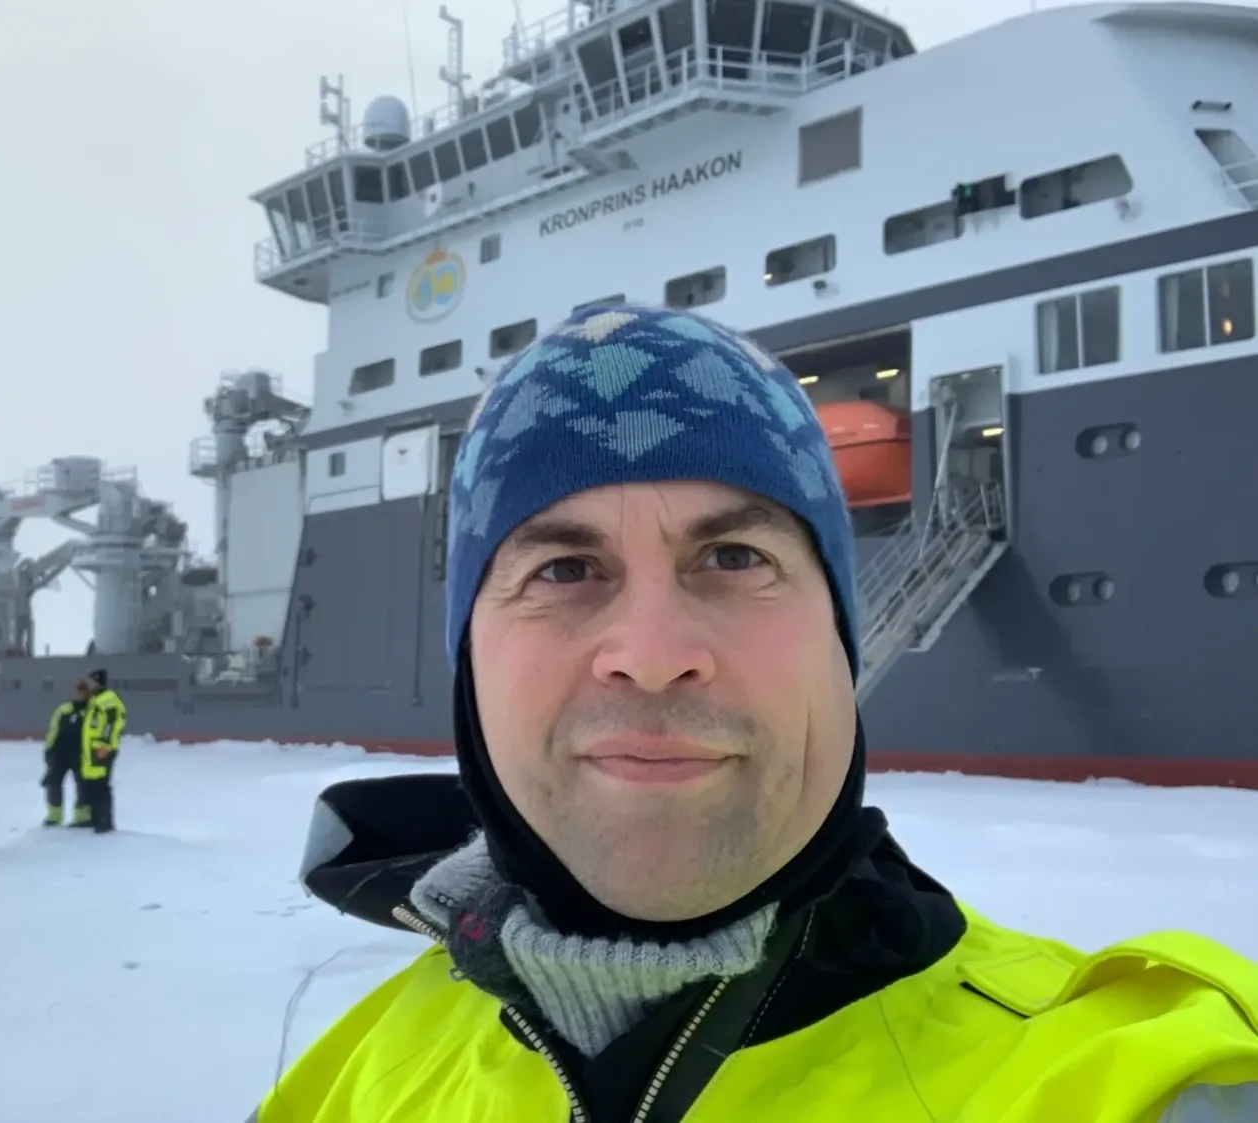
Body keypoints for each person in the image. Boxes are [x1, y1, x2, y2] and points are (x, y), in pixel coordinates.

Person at [258, 304, 1258, 1121]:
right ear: (469, 662)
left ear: (838, 637)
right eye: (563, 567)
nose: (651, 656)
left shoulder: (1128, 1085)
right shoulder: (352, 1079)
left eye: (734, 558)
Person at [79, 669, 125, 834]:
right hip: (92, 748)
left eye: (91, 682)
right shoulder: (95, 700)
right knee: (92, 783)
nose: (88, 686)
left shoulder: (108, 700)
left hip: (100, 749)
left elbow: (110, 723)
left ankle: (105, 821)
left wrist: (104, 744)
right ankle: (95, 817)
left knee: (101, 785)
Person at [42, 681, 90, 827]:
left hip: (81, 754)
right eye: (78, 691)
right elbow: (54, 730)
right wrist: (48, 749)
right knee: (53, 783)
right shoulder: (63, 710)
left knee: (83, 785)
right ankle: (54, 816)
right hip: (59, 754)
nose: (80, 694)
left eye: (83, 691)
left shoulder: (91, 711)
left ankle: (82, 818)